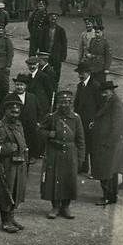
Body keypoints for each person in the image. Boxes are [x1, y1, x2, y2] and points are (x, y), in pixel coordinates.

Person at [38, 89, 85, 219]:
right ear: (58, 104)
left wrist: (81, 157)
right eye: (62, 102)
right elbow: (40, 130)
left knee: (68, 180)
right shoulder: (52, 117)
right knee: (54, 179)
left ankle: (66, 207)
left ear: (71, 104)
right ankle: (55, 206)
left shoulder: (76, 118)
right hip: (54, 153)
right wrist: (48, 134)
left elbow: (80, 139)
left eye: (67, 102)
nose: (64, 105)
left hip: (70, 154)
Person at [0, 97, 28, 233]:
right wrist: (8, 148)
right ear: (6, 112)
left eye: (17, 112)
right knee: (5, 191)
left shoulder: (19, 125)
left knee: (16, 190)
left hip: (18, 165)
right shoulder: (1, 128)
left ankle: (11, 217)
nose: (14, 115)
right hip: (6, 166)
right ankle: (5, 220)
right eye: (12, 112)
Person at [90, 80, 123, 205]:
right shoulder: (110, 101)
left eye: (105, 92)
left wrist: (109, 143)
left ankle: (107, 197)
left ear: (111, 91)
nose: (103, 95)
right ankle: (110, 196)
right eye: (102, 93)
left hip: (108, 145)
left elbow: (118, 126)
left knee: (106, 173)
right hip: (105, 143)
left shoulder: (115, 104)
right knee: (109, 172)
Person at [73, 63, 99, 175]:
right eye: (79, 73)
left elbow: (100, 105)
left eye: (82, 73)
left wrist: (95, 120)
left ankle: (94, 170)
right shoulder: (80, 86)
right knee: (81, 143)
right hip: (81, 120)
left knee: (92, 146)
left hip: (91, 122)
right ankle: (83, 166)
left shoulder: (95, 86)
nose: (80, 76)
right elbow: (77, 103)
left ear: (89, 73)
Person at [37, 12, 67, 80]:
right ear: (49, 19)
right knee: (45, 70)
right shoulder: (45, 29)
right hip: (46, 55)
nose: (53, 20)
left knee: (56, 71)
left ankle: (55, 86)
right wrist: (41, 54)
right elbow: (41, 42)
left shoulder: (61, 30)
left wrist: (63, 56)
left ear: (56, 20)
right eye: (51, 19)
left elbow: (64, 44)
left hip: (56, 55)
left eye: (54, 19)